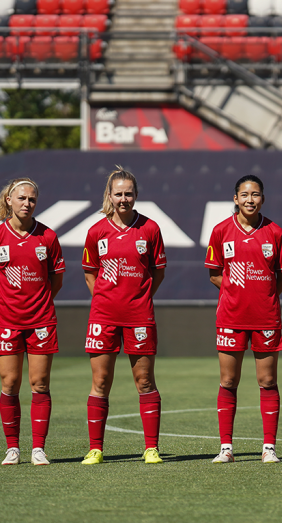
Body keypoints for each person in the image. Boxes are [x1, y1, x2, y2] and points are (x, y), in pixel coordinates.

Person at [81, 166, 167, 465]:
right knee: (101, 381)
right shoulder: (96, 231)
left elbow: (157, 272)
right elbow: (90, 273)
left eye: (128, 193)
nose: (123, 199)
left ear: (136, 196)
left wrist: (139, 297)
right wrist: (106, 299)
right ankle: (96, 448)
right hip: (103, 316)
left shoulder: (150, 229)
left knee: (144, 380)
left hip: (139, 316)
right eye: (118, 194)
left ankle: (151, 448)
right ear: (109, 196)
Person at [205, 175, 282, 464]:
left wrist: (263, 294)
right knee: (228, 380)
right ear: (235, 199)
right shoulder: (220, 232)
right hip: (230, 316)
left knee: (267, 381)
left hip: (266, 318)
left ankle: (269, 448)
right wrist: (236, 291)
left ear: (262, 199)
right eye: (244, 194)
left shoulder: (275, 233)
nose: (250, 199)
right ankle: (226, 448)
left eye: (255, 194)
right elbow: (215, 274)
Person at [0, 178, 64, 466]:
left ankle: (38, 448)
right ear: (9, 201)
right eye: (22, 198)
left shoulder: (47, 237)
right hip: (6, 321)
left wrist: (37, 303)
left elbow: (56, 280)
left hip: (40, 321)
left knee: (39, 383)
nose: (27, 203)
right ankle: (12, 448)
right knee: (9, 382)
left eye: (32, 199)